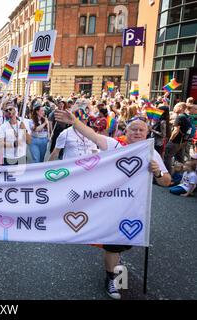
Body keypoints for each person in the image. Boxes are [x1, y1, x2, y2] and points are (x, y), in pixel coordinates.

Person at [55, 109, 171, 300]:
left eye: (141, 130)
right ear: (126, 132)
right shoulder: (115, 145)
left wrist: (158, 173)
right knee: (113, 244)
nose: (137, 133)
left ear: (147, 133)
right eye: (133, 129)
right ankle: (112, 279)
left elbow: (166, 181)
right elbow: (91, 134)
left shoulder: (152, 154)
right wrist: (74, 121)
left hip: (134, 208)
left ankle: (116, 266)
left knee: (124, 242)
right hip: (111, 204)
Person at [164, 102, 191, 173]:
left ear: (181, 108)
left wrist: (170, 140)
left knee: (167, 157)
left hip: (175, 141)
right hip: (183, 141)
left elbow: (176, 130)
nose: (174, 108)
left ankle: (169, 175)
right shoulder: (186, 116)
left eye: (176, 106)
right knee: (180, 158)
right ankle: (181, 174)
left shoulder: (179, 117)